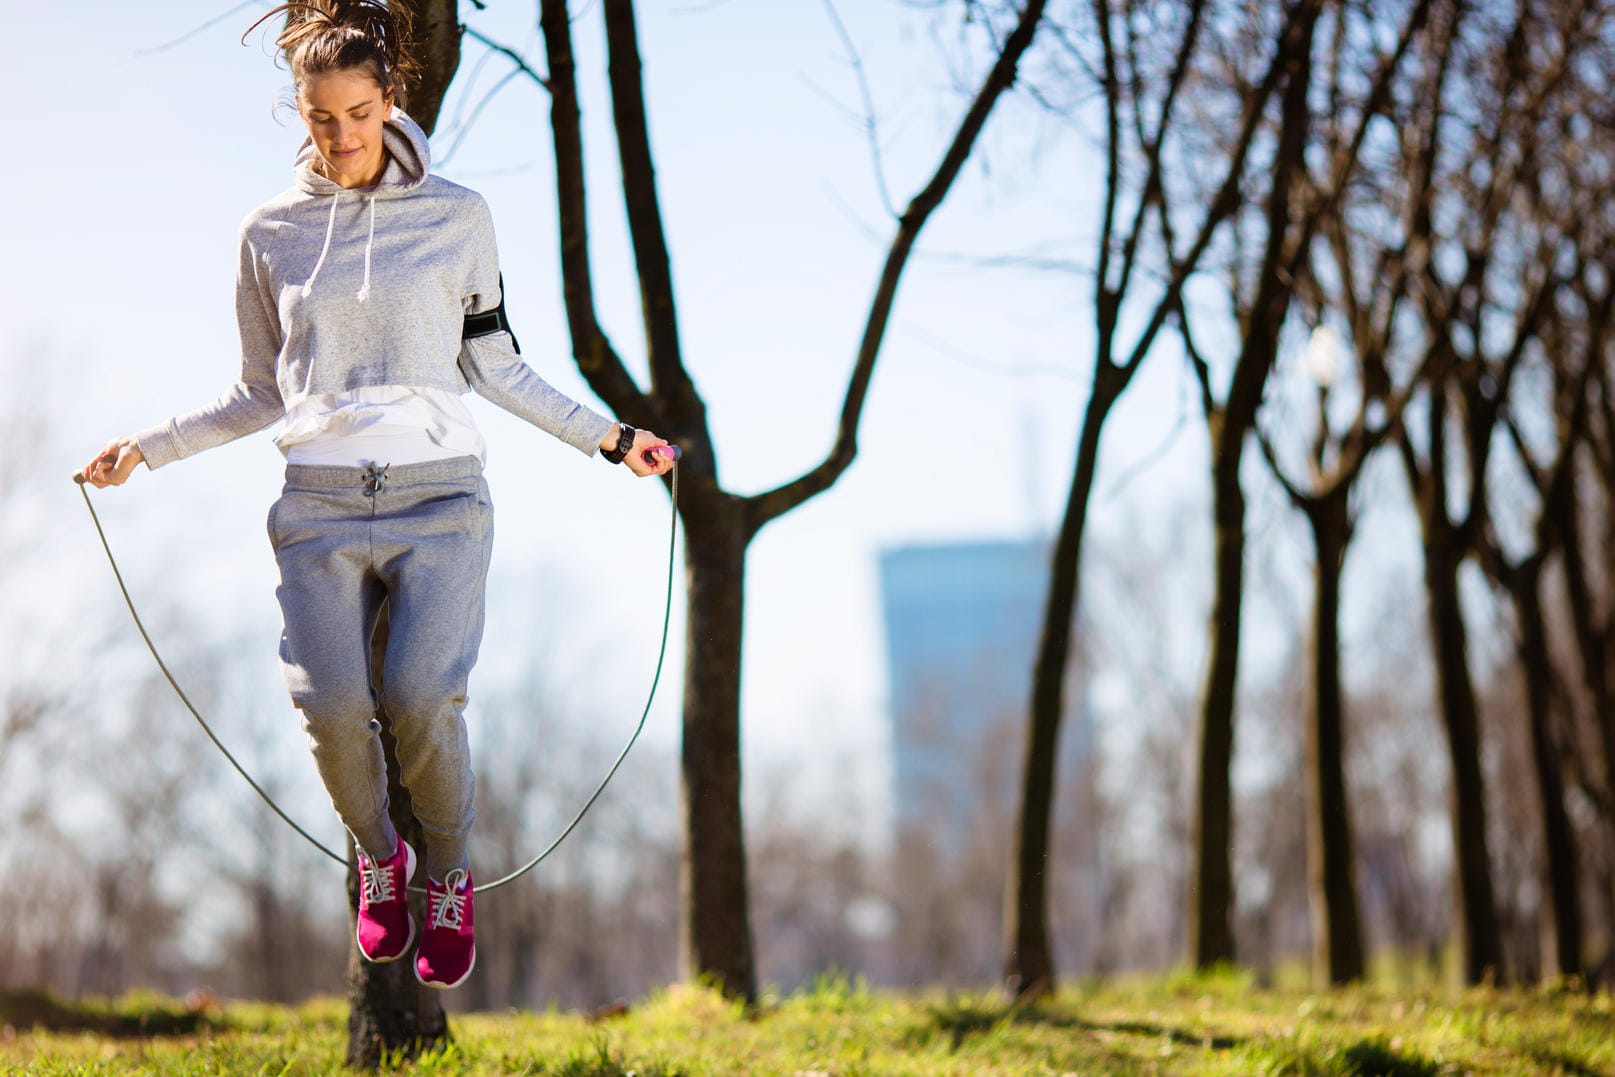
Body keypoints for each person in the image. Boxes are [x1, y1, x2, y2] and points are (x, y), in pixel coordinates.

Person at [80, 0, 674, 991]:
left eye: (359, 112)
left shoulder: (457, 217)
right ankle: (379, 861)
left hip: (440, 500)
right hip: (315, 503)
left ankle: (446, 875)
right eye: (322, 118)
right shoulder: (268, 233)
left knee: (418, 698)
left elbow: (495, 366)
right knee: (329, 705)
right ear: (299, 116)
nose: (343, 135)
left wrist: (611, 439)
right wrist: (145, 448)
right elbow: (259, 392)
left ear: (389, 99)